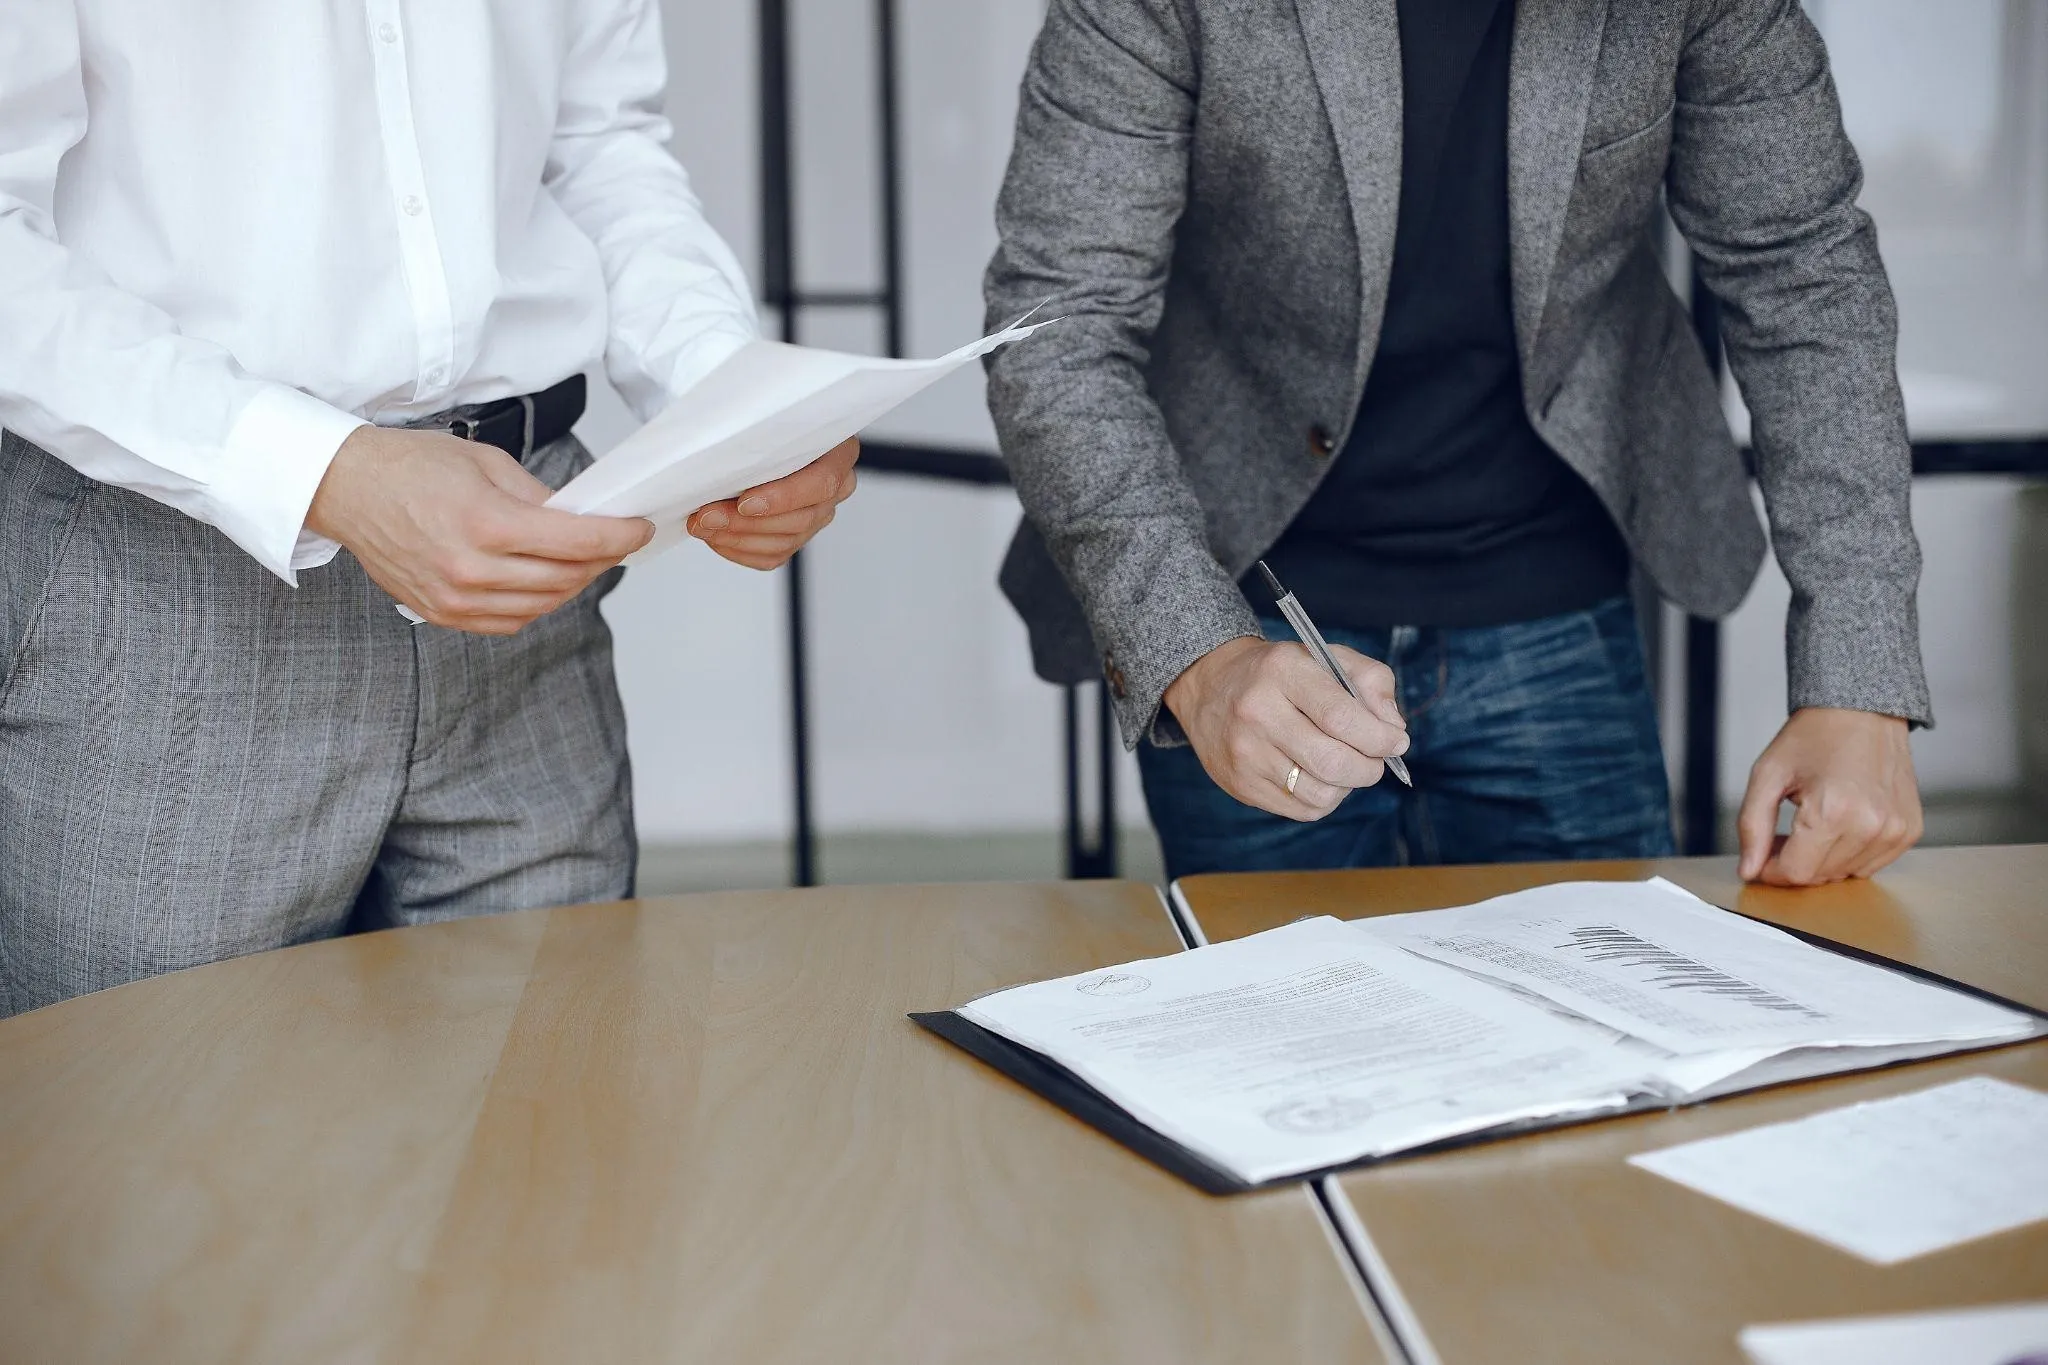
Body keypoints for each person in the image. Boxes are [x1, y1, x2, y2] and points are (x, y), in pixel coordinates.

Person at [0, 1, 856, 1016]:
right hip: (167, 583)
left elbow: (598, 142)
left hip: (529, 576)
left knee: (548, 1116)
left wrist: (726, 393)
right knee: (156, 1131)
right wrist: (332, 473)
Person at [984, 0, 1928, 886]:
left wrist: (1859, 680)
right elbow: (1059, 329)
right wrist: (1199, 657)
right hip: (1248, 602)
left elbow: (1805, 278)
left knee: (1615, 1023)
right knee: (1282, 1033)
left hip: (1554, 588)